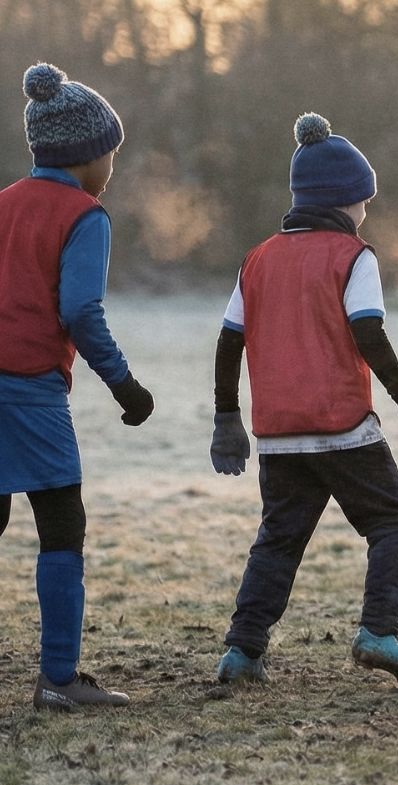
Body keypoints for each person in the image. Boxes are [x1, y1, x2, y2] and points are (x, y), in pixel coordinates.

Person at [209, 113, 398, 686]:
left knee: (278, 541)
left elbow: (228, 341)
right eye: (364, 202)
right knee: (393, 521)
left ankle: (241, 651)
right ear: (344, 201)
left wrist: (226, 419)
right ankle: (380, 631)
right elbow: (369, 333)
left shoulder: (257, 258)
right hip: (343, 425)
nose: (366, 213)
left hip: (279, 431)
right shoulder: (354, 256)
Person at [0, 63, 154, 710]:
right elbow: (80, 312)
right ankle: (59, 679)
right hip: (30, 388)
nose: (112, 166)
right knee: (62, 522)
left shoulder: (3, 202)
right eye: (109, 153)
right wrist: (125, 387)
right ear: (86, 156)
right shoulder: (84, 215)